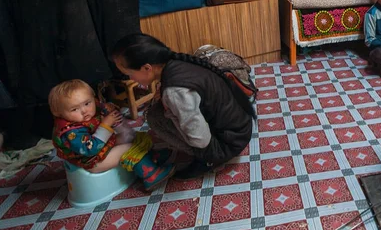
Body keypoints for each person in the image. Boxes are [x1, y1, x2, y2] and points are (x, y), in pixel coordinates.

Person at [110, 34, 255, 180]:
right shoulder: (175, 61)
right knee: (159, 111)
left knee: (154, 117)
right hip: (240, 127)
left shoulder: (174, 92)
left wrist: (171, 112)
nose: (130, 79)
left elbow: (201, 140)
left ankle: (208, 160)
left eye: (129, 74)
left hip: (229, 143)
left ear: (147, 68)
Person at [49, 79, 174, 191]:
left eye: (87, 103)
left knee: (136, 136)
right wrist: (105, 125)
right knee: (129, 147)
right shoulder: (70, 132)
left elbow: (100, 106)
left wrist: (109, 110)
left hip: (102, 149)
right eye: (74, 109)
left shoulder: (89, 107)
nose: (84, 110)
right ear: (58, 113)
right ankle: (150, 174)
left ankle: (152, 157)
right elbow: (90, 149)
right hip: (93, 161)